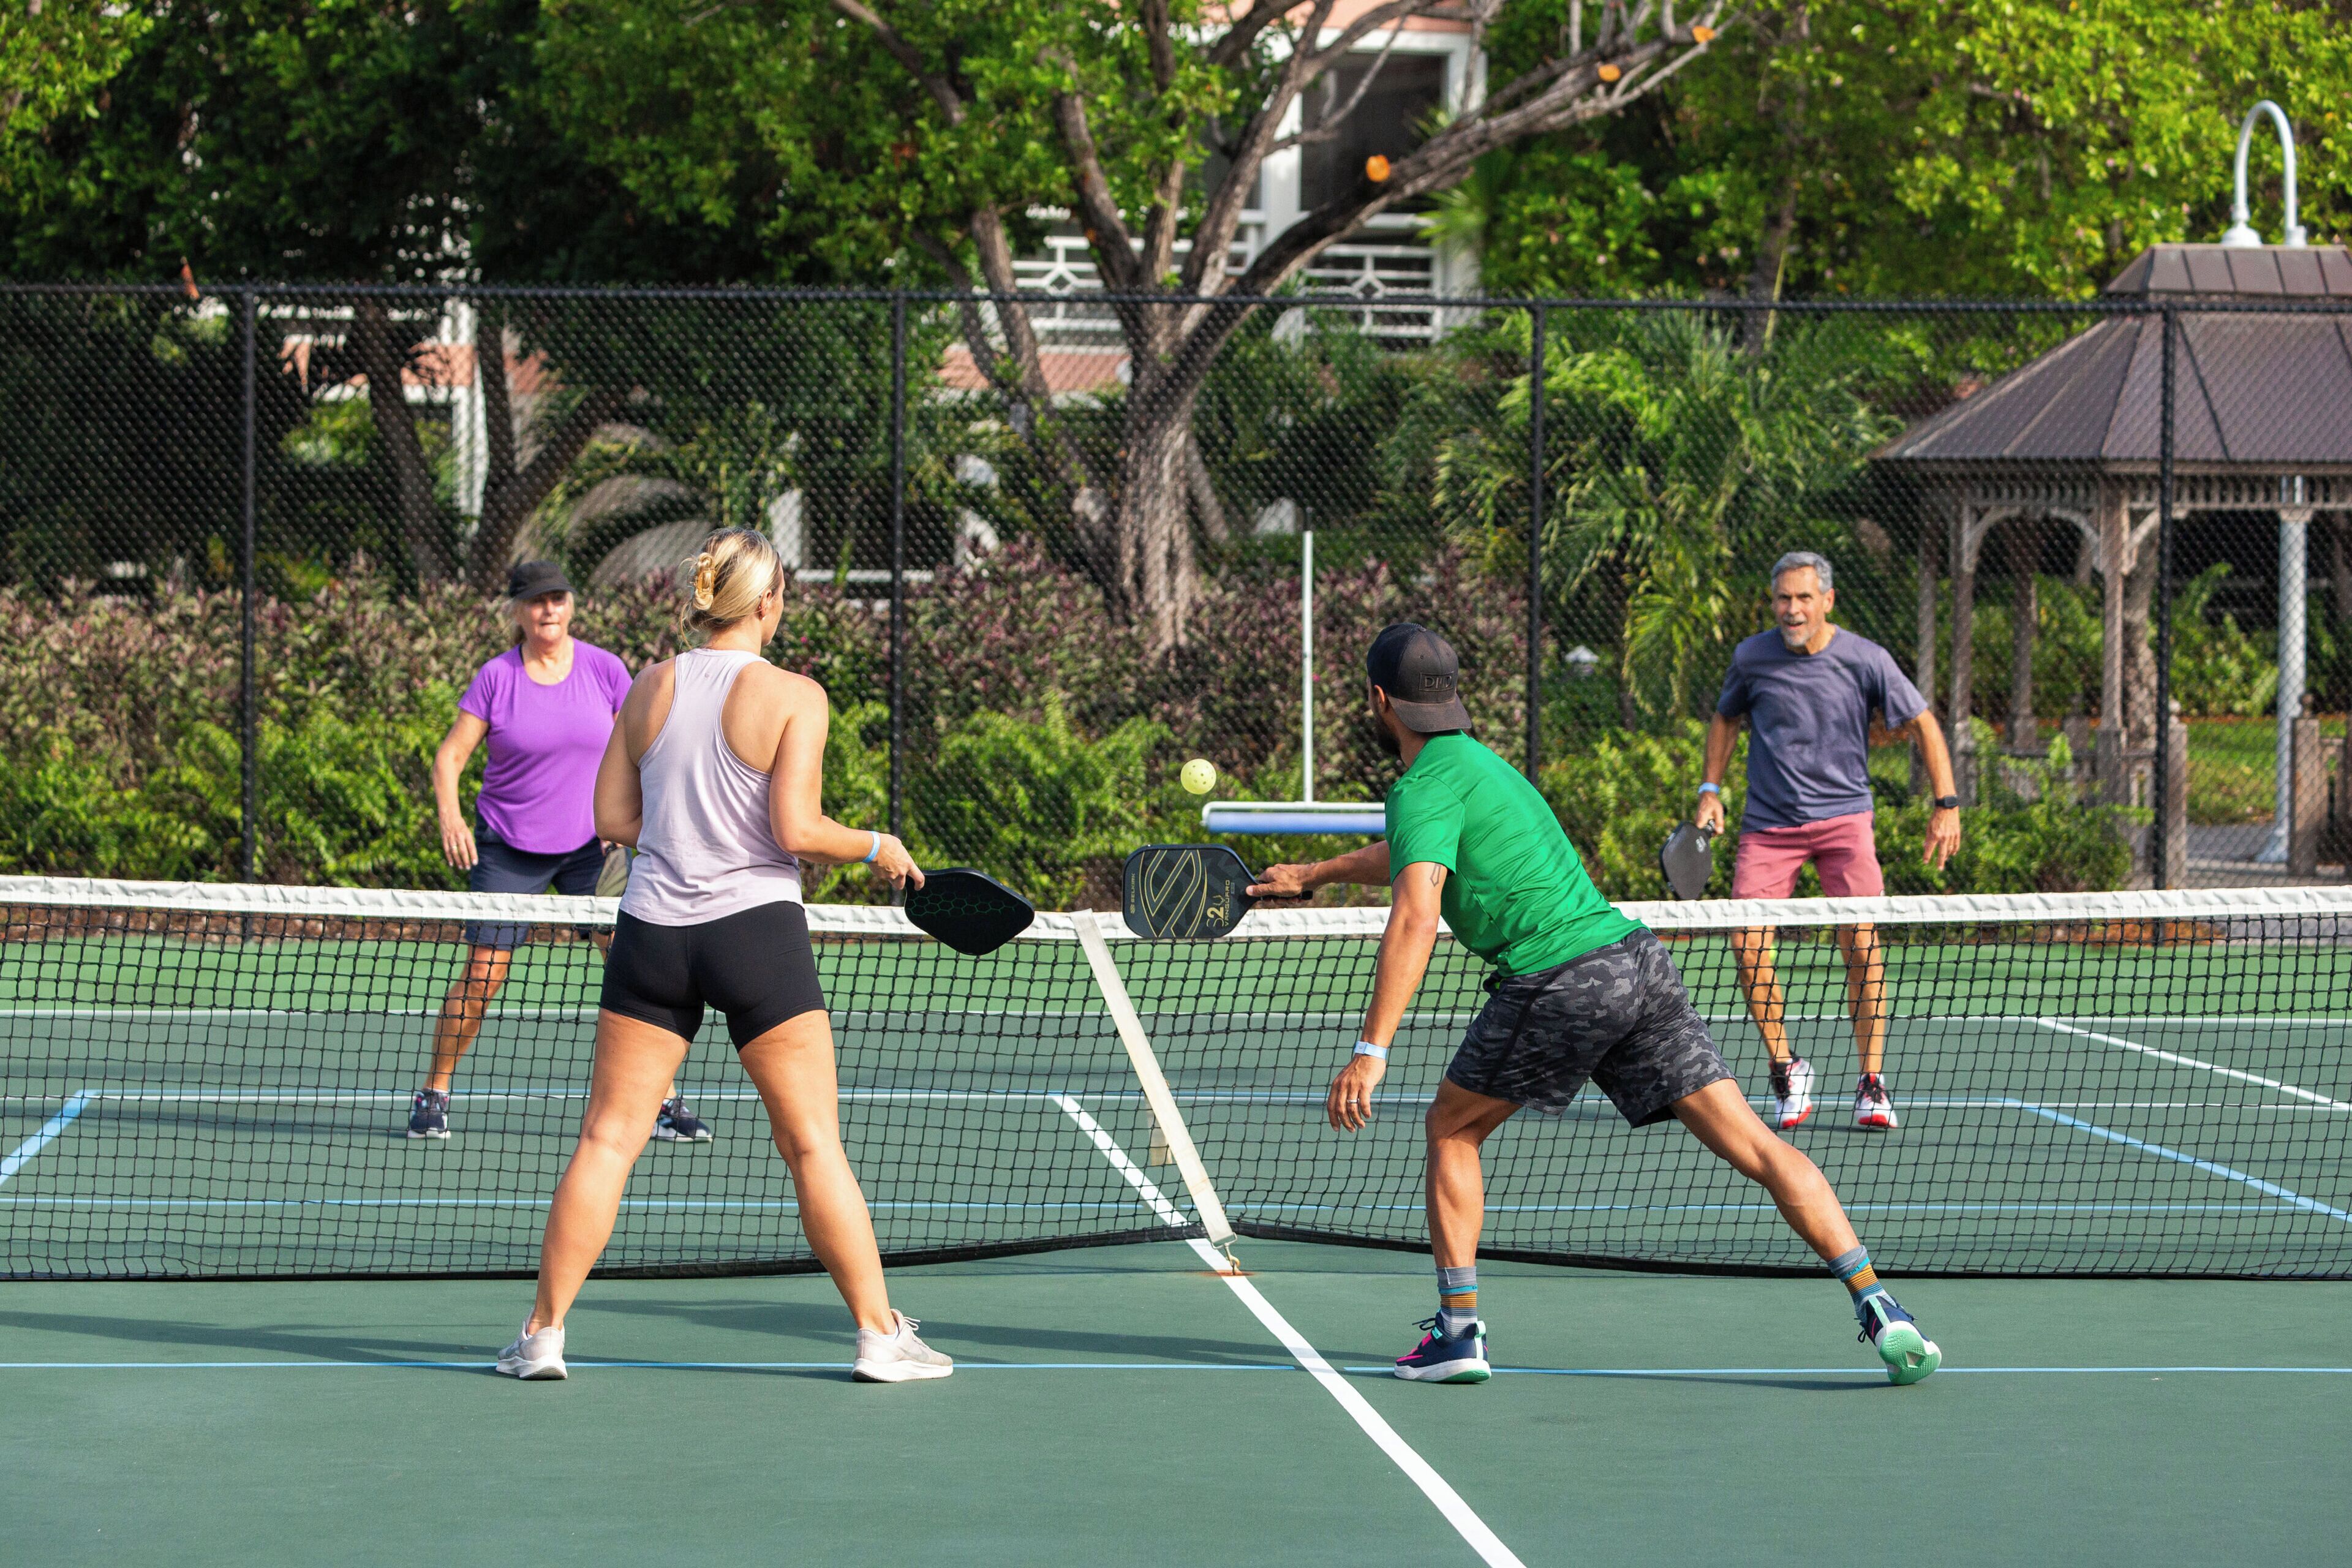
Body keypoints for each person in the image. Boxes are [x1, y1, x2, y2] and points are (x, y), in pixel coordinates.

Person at [1251, 623, 1940, 1387]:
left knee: (1451, 1127)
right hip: (1638, 963)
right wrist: (1319, 870)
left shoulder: (1420, 786)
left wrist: (1371, 1050)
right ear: (1452, 694)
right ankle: (1881, 1306)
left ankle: (1457, 1331)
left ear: (1379, 700)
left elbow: (1417, 912)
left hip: (1560, 980)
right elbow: (1411, 849)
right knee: (1755, 1144)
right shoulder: (1485, 770)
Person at [496, 527, 951, 1384]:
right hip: (755, 936)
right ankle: (879, 1338)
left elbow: (610, 820)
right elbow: (796, 831)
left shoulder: (647, 686)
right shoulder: (794, 695)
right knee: (813, 1144)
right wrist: (877, 845)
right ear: (769, 603)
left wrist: (686, 829)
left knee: (606, 1139)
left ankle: (542, 1337)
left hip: (653, 935)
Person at [412, 561, 712, 1145]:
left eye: (557, 599)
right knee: (483, 975)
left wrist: (629, 821)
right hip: (507, 848)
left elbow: (640, 747)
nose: (547, 610)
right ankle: (435, 1091)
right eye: (535, 601)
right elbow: (450, 757)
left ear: (571, 606)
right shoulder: (496, 677)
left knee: (639, 972)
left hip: (590, 852)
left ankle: (664, 1102)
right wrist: (451, 817)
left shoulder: (604, 670)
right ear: (518, 612)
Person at [1697, 552, 1962, 1132]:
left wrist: (1946, 804)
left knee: (1863, 948)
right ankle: (1786, 1069)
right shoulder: (1751, 657)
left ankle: (1872, 1082)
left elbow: (1922, 723)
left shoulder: (1866, 659)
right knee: (1746, 945)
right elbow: (1724, 719)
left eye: (1804, 598)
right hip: (1768, 826)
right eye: (1783, 599)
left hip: (1846, 822)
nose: (1792, 610)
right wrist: (1710, 789)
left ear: (1828, 601)